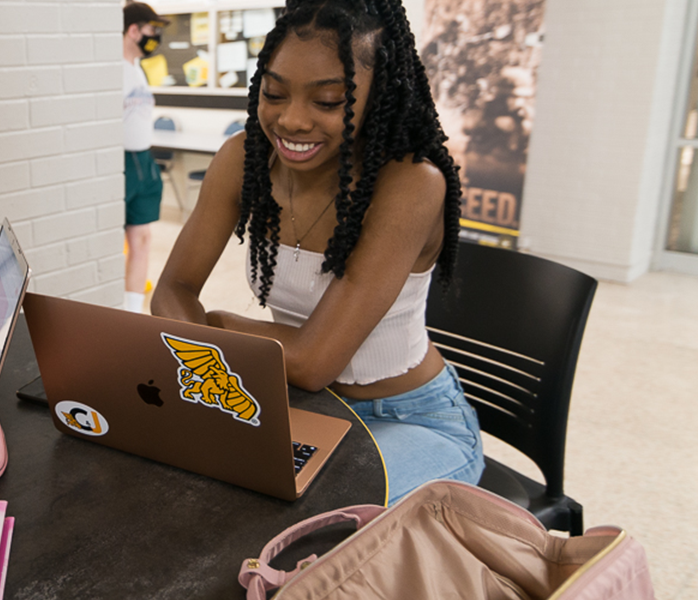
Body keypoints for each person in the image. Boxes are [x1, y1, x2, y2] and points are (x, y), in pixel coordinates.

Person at [150, 0, 481, 502]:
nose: (292, 120)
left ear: (379, 95)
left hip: (414, 420)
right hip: (303, 408)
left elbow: (312, 361)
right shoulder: (242, 159)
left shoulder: (411, 184)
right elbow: (172, 288)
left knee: (305, 513)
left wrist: (217, 327)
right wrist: (213, 355)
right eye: (274, 93)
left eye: (328, 102)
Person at [120, 2, 167, 313]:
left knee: (143, 238)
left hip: (144, 159)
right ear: (134, 30)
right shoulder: (113, 69)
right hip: (120, 162)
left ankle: (133, 312)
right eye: (151, 30)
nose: (155, 37)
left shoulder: (137, 68)